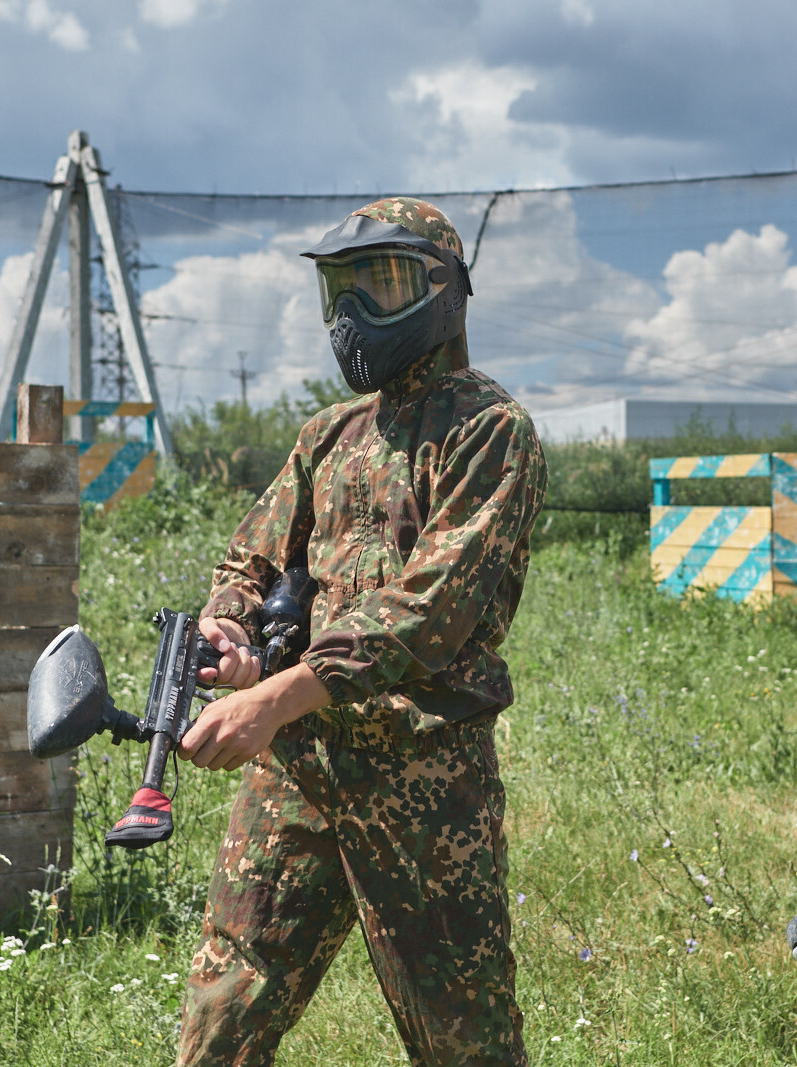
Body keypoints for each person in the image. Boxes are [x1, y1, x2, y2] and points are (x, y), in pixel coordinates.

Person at [172, 197, 546, 1067]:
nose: (352, 317)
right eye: (338, 289)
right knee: (223, 1011)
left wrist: (276, 693)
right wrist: (229, 632)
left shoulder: (490, 431)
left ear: (444, 290)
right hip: (298, 770)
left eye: (378, 285)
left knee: (464, 1037)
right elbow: (249, 559)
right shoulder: (328, 436)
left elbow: (427, 611)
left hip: (422, 782)